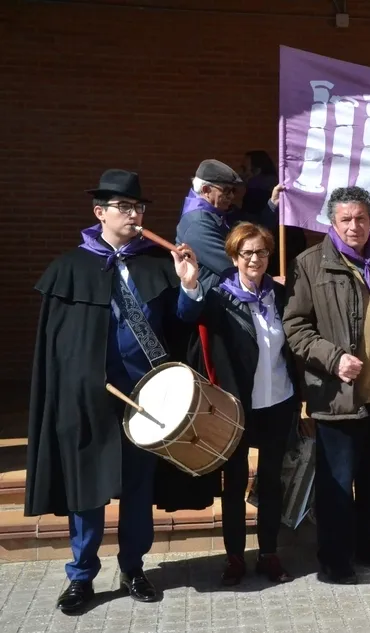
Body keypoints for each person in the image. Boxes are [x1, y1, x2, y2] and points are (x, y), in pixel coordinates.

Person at [25, 170, 203, 614]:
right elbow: (57, 345)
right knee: (86, 490)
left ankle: (133, 567)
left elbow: (182, 324)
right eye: (125, 207)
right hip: (87, 399)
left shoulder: (157, 264)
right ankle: (81, 576)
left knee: (138, 488)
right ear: (99, 212)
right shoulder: (69, 268)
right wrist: (73, 386)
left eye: (139, 207)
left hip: (144, 398)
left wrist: (188, 283)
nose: (134, 214)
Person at [283, 185, 370, 584]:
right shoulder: (309, 264)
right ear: (332, 221)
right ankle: (335, 561)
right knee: (337, 485)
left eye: (360, 218)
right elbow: (295, 326)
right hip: (337, 397)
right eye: (345, 219)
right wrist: (333, 358)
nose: (353, 226)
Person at [188, 222, 298, 585]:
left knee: (270, 483)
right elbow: (187, 317)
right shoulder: (219, 298)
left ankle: (268, 552)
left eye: (262, 252)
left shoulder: (280, 296)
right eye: (247, 252)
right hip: (236, 407)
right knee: (233, 483)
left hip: (278, 401)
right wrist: (189, 284)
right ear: (234, 257)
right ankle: (234, 556)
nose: (255, 258)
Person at [232, 150, 308, 276]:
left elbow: (254, 226)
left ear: (257, 171)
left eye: (245, 168)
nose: (242, 174)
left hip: (273, 255)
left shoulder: (255, 193)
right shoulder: (280, 189)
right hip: (290, 251)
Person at [175, 159, 244, 293]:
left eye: (233, 191)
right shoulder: (197, 222)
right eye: (226, 190)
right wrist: (268, 281)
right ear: (206, 189)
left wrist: (272, 205)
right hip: (213, 301)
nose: (231, 196)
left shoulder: (215, 212)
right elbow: (230, 264)